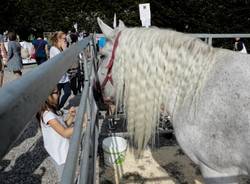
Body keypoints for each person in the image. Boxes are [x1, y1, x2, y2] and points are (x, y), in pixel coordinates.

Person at [36, 88, 75, 181]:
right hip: (59, 153)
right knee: (65, 178)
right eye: (57, 93)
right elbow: (65, 133)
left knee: (68, 176)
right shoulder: (47, 115)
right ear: (47, 96)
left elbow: (63, 126)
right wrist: (82, 124)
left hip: (62, 149)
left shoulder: (52, 110)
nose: (59, 94)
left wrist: (71, 116)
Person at [50, 31, 71, 109]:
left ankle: (59, 107)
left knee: (68, 92)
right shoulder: (53, 49)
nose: (65, 40)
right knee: (57, 94)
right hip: (57, 77)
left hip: (64, 76)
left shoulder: (61, 48)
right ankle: (55, 109)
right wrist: (65, 49)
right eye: (64, 38)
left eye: (66, 38)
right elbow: (62, 61)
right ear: (58, 39)